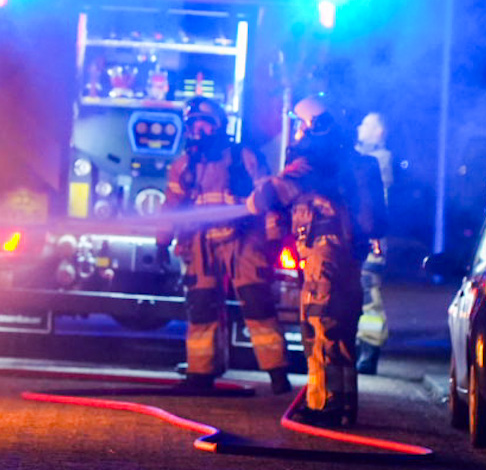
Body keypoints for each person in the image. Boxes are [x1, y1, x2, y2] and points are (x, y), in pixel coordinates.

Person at [156, 96, 291, 394]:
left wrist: (272, 238)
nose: (198, 130)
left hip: (244, 240)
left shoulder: (245, 156)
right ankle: (201, 374)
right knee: (201, 307)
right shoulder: (183, 167)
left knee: (258, 304)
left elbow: (267, 195)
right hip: (200, 244)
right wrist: (162, 241)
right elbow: (172, 206)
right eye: (192, 125)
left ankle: (277, 372)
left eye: (204, 124)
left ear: (219, 125)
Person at [252, 95, 369, 426]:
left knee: (321, 326)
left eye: (302, 125)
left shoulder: (309, 163)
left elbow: (270, 195)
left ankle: (324, 407)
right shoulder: (344, 161)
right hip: (345, 255)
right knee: (341, 330)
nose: (298, 132)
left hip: (323, 253)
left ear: (314, 127)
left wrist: (252, 200)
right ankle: (343, 404)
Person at [354, 112, 393, 374]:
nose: (360, 127)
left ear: (379, 131)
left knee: (369, 294)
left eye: (366, 124)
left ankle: (369, 350)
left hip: (370, 238)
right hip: (358, 236)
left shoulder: (380, 159)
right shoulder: (360, 156)